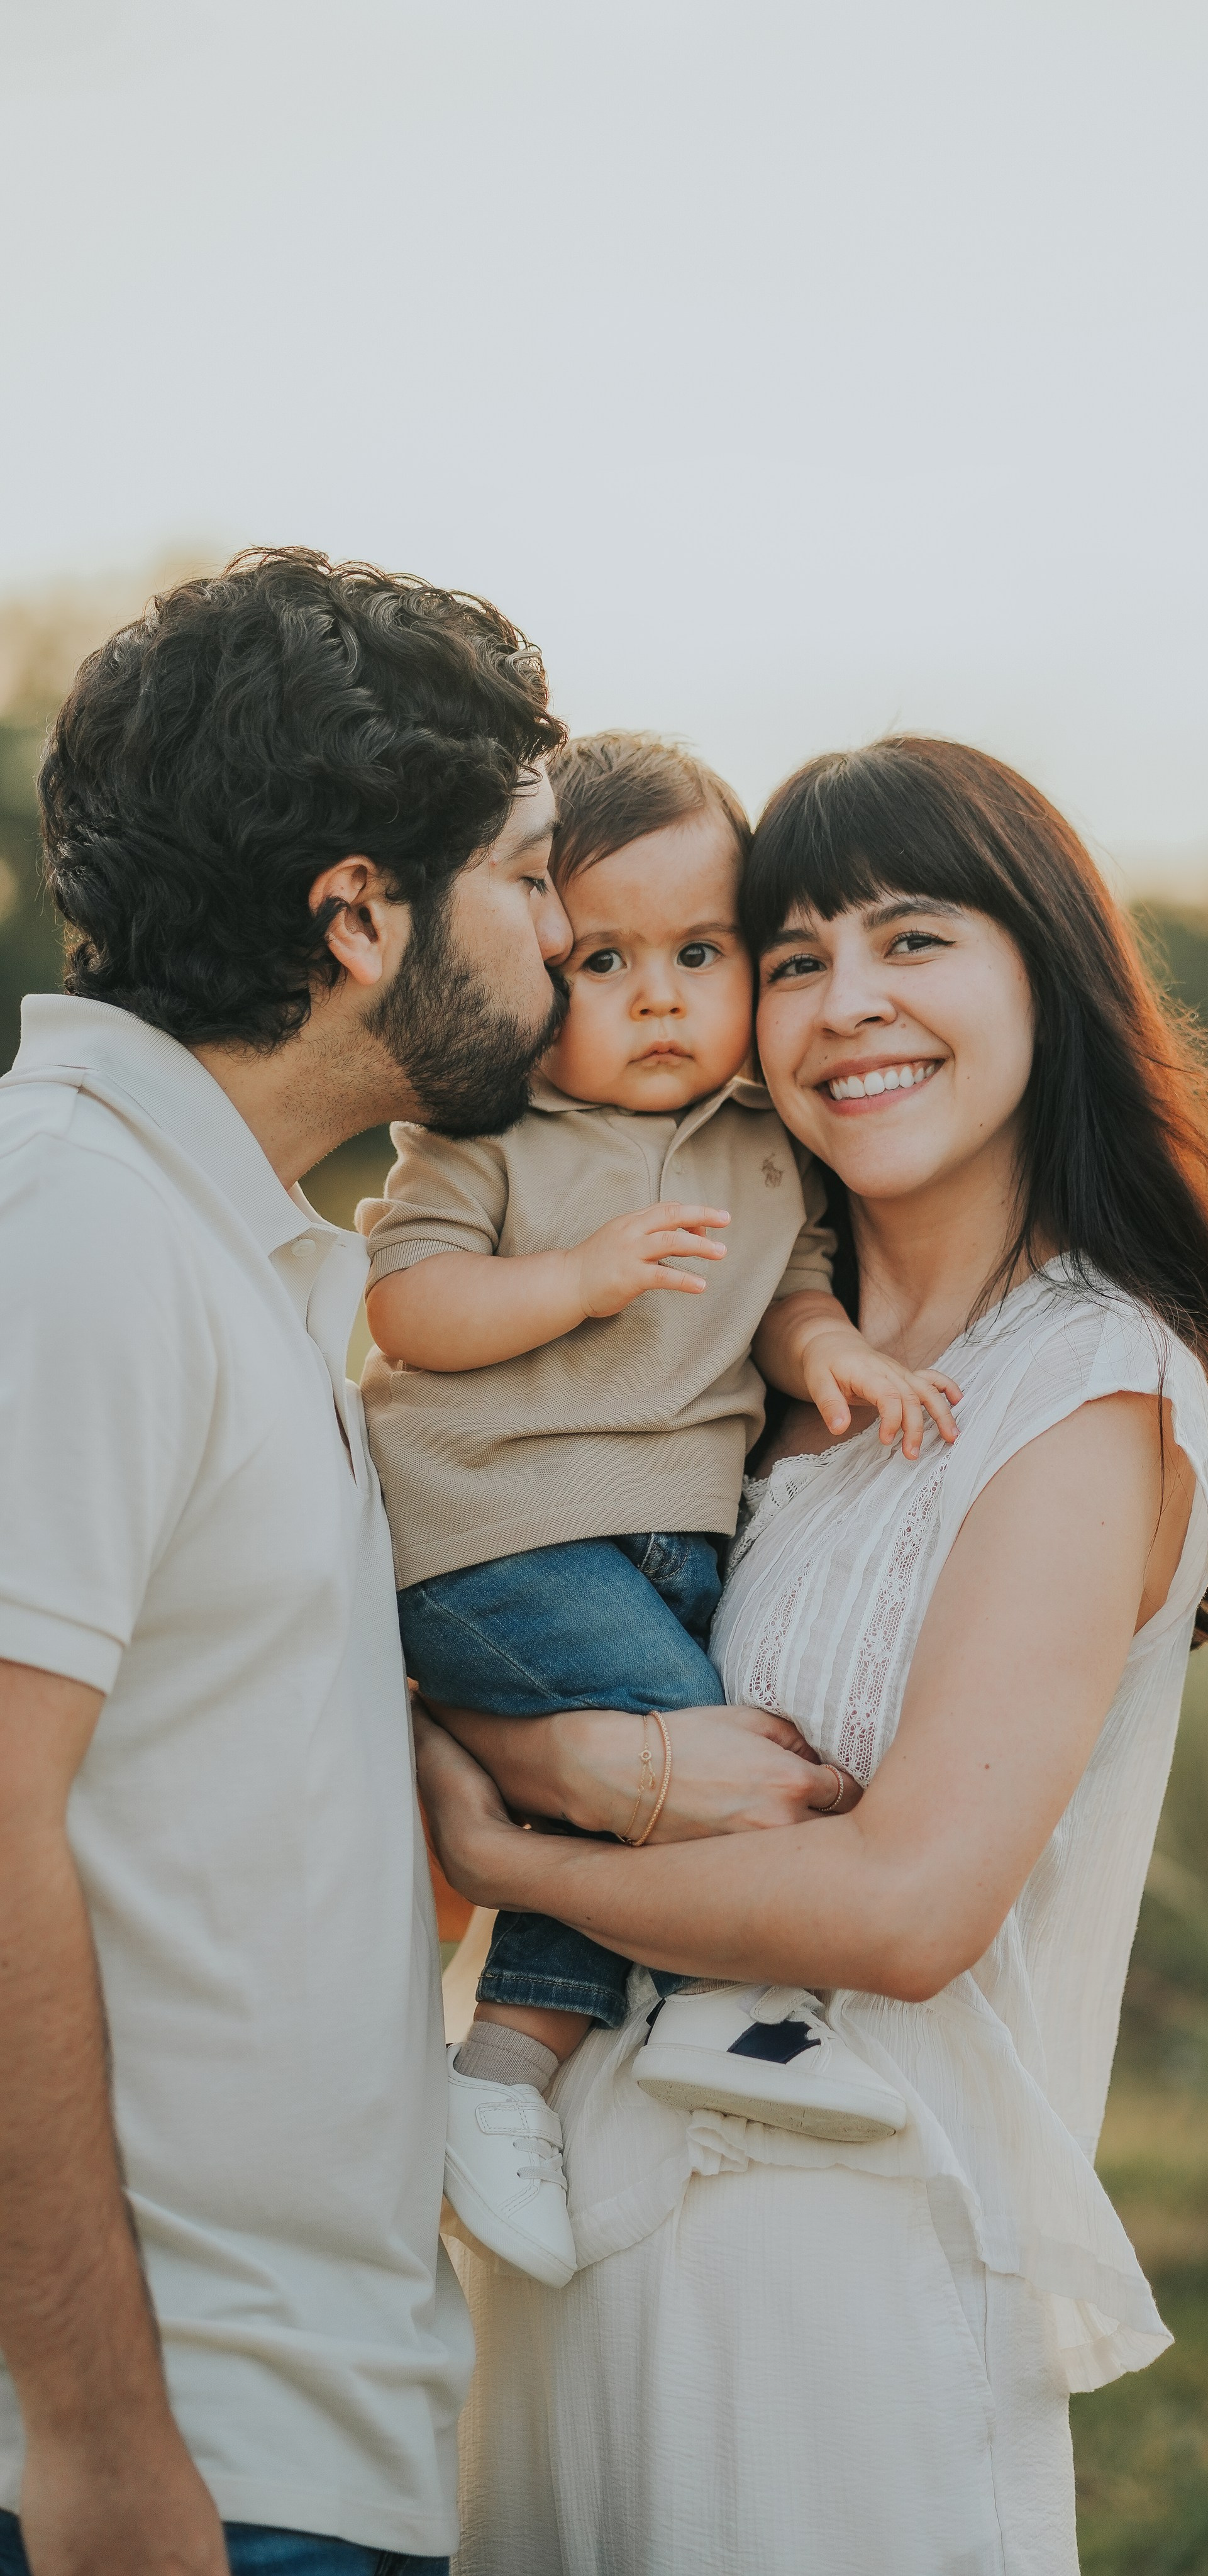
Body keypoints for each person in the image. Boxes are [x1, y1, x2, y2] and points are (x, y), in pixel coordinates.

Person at [415, 736, 1208, 2576]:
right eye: (799, 954)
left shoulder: (1084, 1383)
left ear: (1042, 976)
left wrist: (531, 1826)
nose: (848, 1008)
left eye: (914, 940)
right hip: (576, 2257)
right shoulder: (726, 1373)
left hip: (844, 2299)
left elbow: (909, 1906)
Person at [0, 547, 574, 2576]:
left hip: (305, 2431)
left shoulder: (222, 1243)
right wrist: (94, 2444)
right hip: (166, 2466)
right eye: (522, 872)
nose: (564, 931)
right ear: (355, 914)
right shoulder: (72, 1234)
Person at [359, 730, 960, 2289]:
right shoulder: (488, 1134)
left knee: (624, 1778)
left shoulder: (769, 1145)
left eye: (700, 952)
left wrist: (831, 1353)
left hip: (665, 1534)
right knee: (695, 1745)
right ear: (532, 962)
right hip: (494, 1529)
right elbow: (410, 1306)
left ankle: (523, 2057)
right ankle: (568, 2046)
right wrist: (574, 1278)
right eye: (604, 957)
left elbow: (794, 1296)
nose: (658, 996)